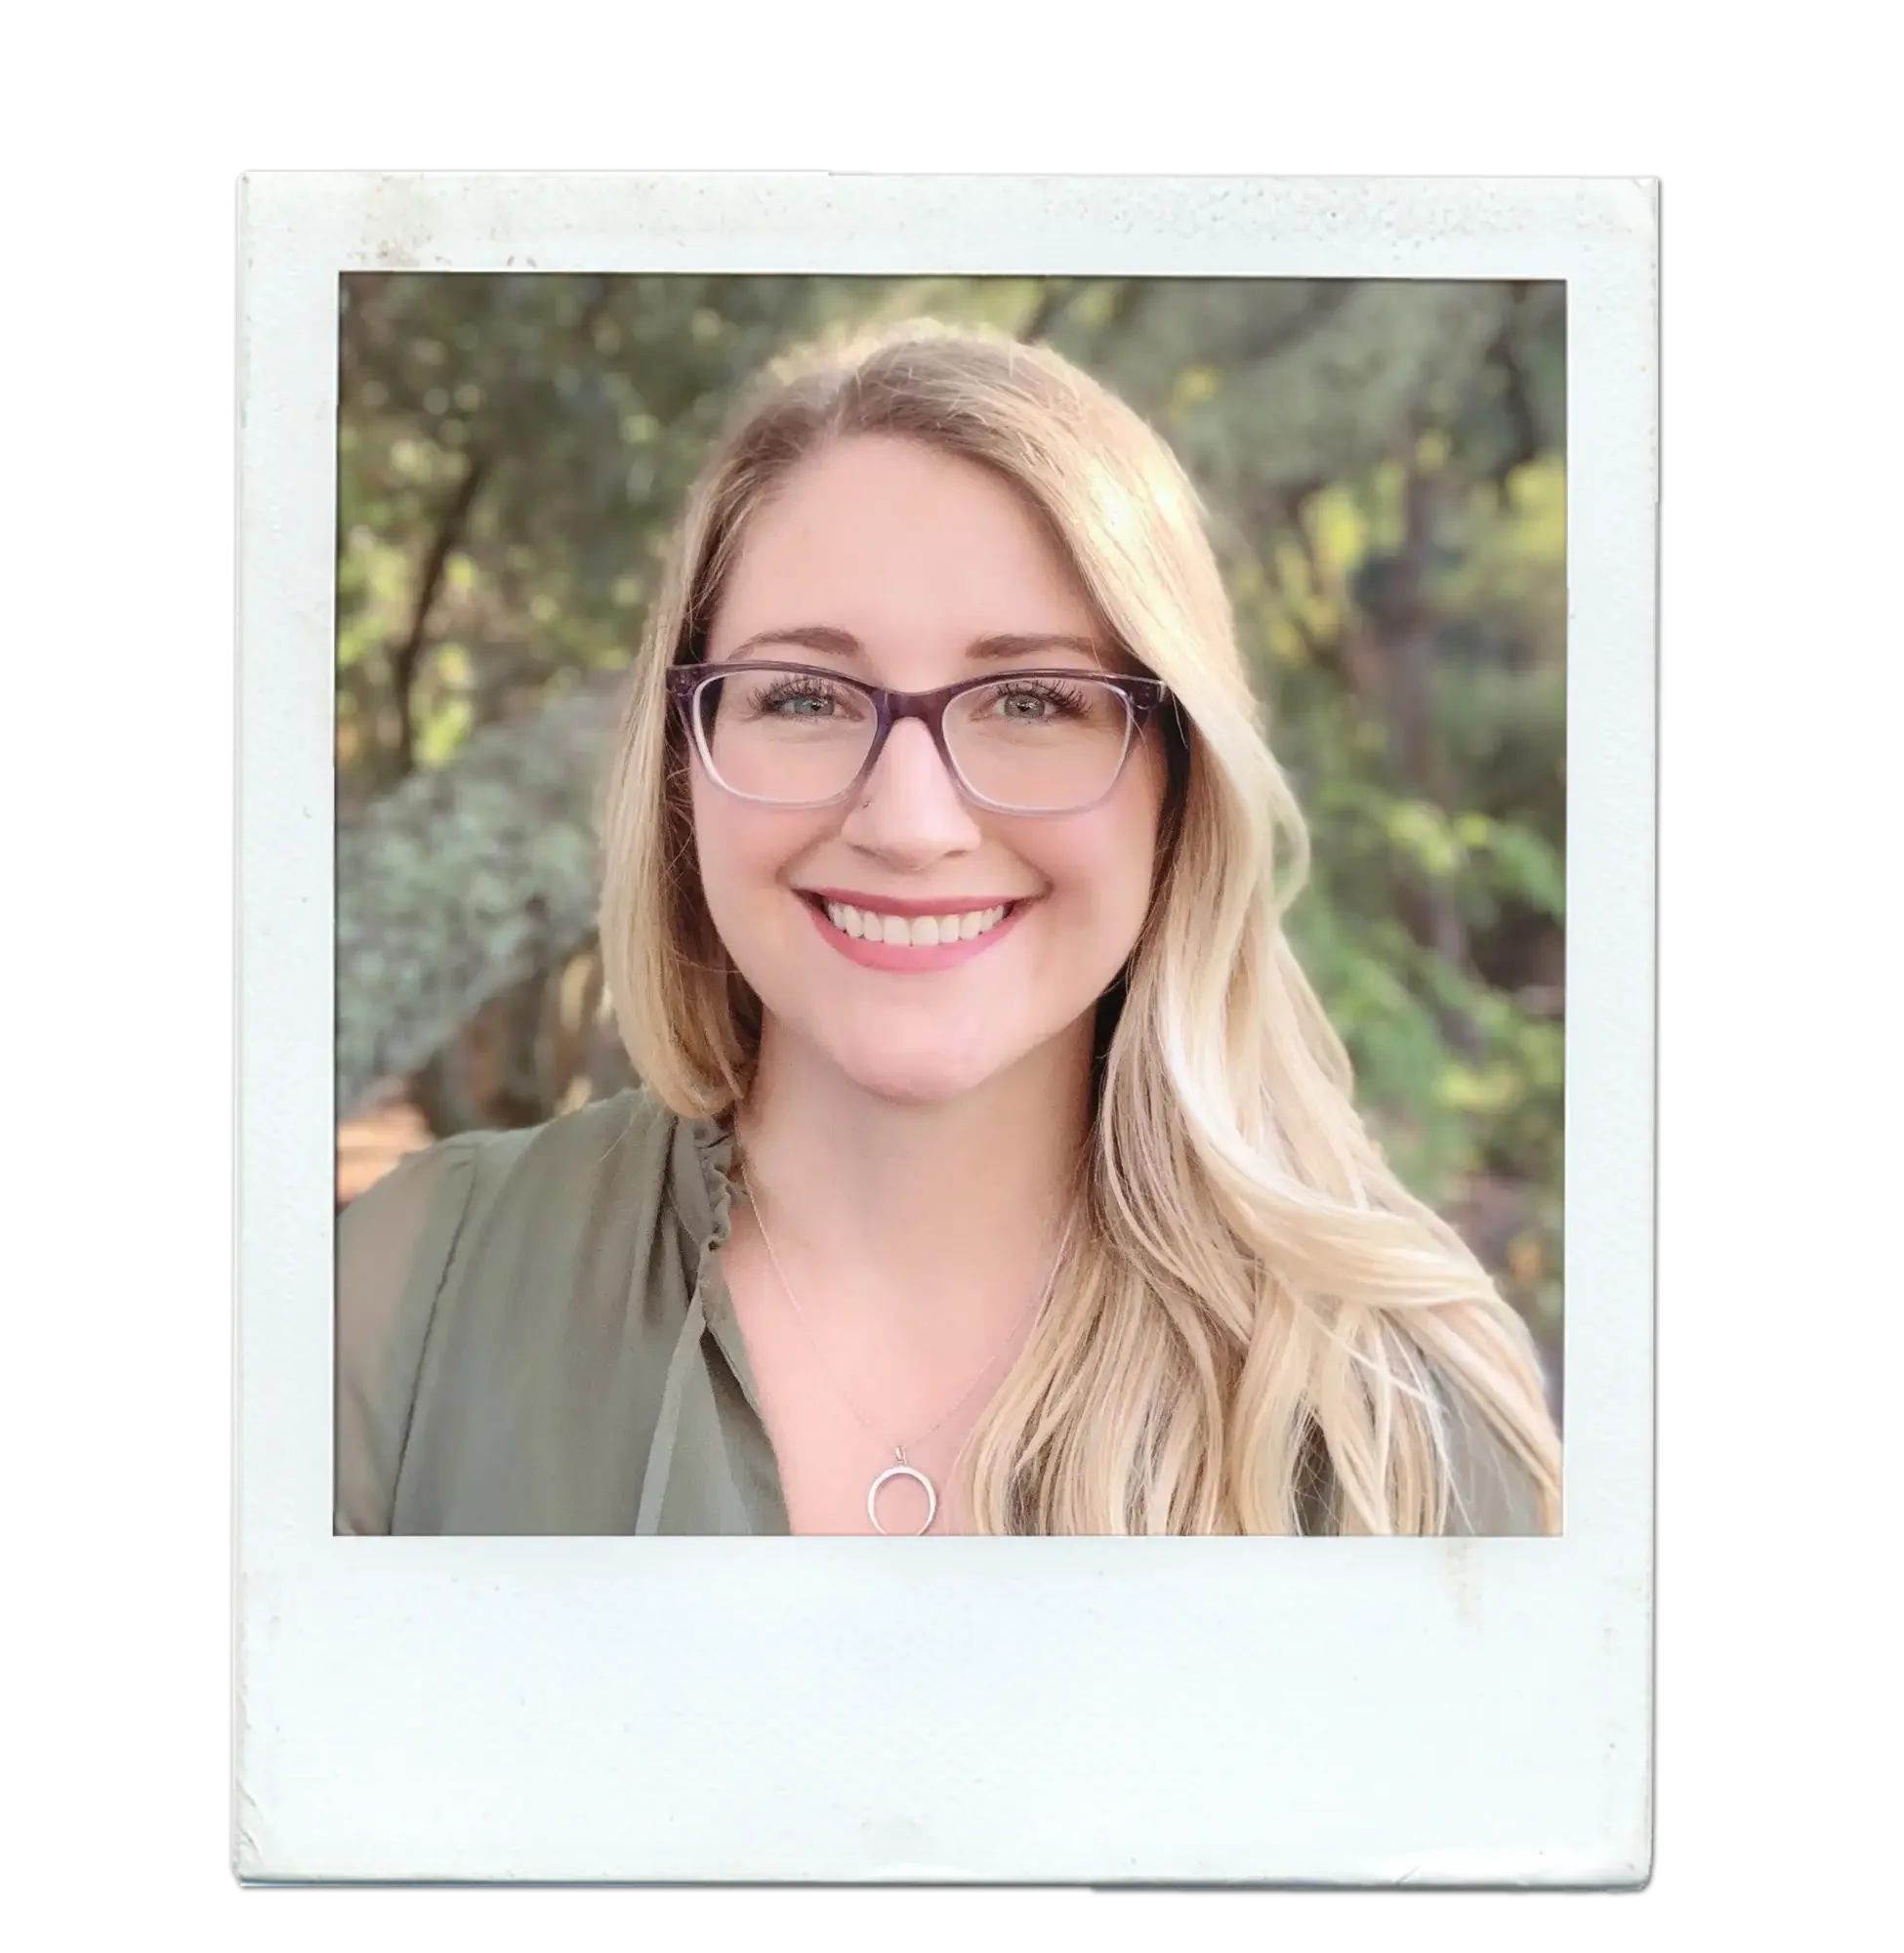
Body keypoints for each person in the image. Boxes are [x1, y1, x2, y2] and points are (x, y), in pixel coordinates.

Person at [336, 320, 1563, 1538]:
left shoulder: (1399, 1425)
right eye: (804, 696)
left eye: (1034, 698)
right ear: (681, 766)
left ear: (1179, 784)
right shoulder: (412, 1299)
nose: (911, 822)